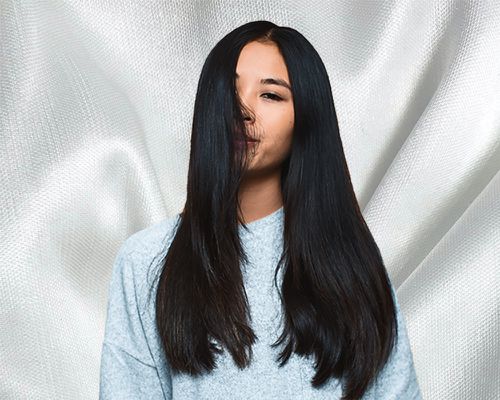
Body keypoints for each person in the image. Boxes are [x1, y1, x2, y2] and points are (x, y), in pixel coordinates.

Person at [99, 20, 423, 399]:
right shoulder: (147, 261)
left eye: (270, 95)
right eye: (230, 92)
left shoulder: (352, 264)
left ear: (306, 117)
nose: (244, 109)